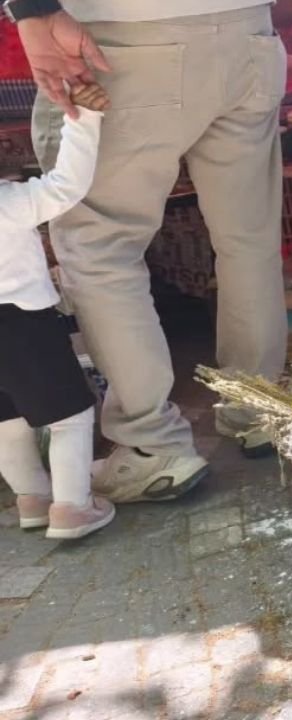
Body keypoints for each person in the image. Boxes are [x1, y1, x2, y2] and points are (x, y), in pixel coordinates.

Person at [13, 0, 288, 503]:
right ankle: (258, 408)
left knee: (100, 247)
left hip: (124, 33)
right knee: (248, 240)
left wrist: (32, 12)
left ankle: (151, 445)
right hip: (250, 31)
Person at [0, 82, 114, 539]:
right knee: (68, 414)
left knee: (6, 420)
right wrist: (84, 121)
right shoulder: (8, 203)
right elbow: (67, 185)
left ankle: (32, 498)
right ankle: (72, 507)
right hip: (20, 321)